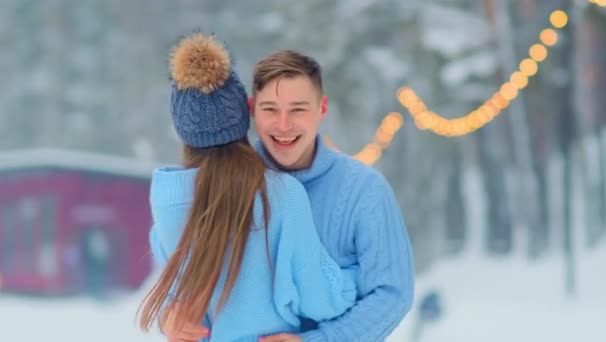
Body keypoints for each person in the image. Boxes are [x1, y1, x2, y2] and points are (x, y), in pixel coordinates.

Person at [158, 47, 416, 341]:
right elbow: (174, 264)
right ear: (252, 110)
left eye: (298, 109)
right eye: (270, 109)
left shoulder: (364, 191)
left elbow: (392, 293)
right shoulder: (223, 183)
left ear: (322, 108)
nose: (283, 125)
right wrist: (169, 313)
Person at [139, 33, 357, 341]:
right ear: (245, 114)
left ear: (182, 130)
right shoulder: (281, 195)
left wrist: (166, 318)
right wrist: (354, 275)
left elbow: (175, 304)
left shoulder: (167, 202)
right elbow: (321, 300)